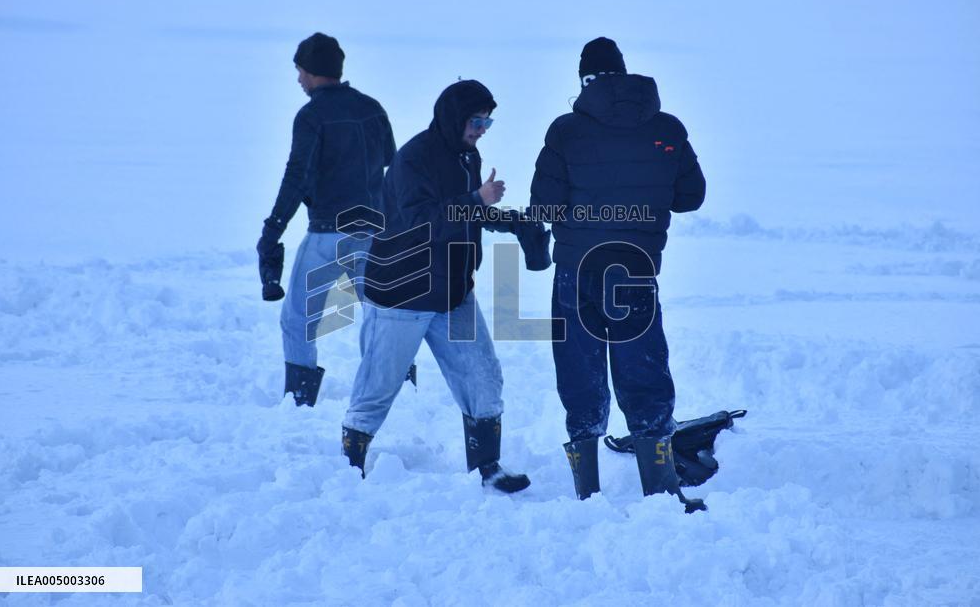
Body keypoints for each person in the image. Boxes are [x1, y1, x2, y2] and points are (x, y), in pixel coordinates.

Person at [529, 37, 707, 507]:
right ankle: (661, 492)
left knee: (579, 372)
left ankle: (587, 495)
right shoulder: (666, 127)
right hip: (635, 269)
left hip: (576, 270)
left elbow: (543, 206)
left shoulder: (566, 131)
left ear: (585, 81)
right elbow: (691, 196)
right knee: (643, 370)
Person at [341, 79, 539, 494]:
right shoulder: (413, 159)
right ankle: (347, 468)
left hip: (452, 293)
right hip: (401, 294)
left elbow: (462, 215)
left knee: (483, 378)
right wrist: (477, 200)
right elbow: (420, 222)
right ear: (454, 118)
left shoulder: (466, 155)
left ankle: (488, 468)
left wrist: (510, 221)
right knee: (379, 385)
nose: (482, 129)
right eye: (476, 121)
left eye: (487, 122)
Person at [256, 32, 396, 407]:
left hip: (328, 234)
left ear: (314, 71)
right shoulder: (372, 108)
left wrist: (273, 229)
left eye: (300, 71)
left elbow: (296, 176)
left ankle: (299, 403)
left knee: (297, 320)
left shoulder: (311, 116)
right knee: (384, 318)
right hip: (374, 233)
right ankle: (399, 392)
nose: (298, 79)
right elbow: (390, 161)